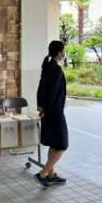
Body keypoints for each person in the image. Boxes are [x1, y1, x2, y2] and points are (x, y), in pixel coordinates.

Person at [35, 40, 68, 188]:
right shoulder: (55, 70)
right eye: (63, 50)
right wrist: (47, 110)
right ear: (59, 52)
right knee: (61, 145)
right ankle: (43, 174)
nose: (64, 53)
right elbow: (52, 94)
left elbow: (41, 90)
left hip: (47, 112)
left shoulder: (47, 67)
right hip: (54, 113)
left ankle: (51, 174)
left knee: (54, 144)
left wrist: (41, 108)